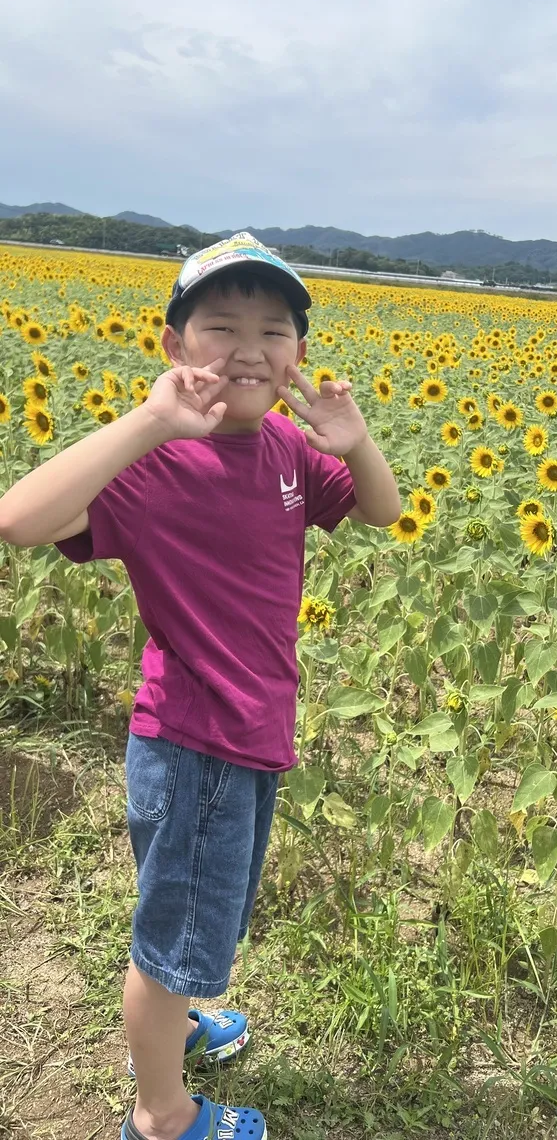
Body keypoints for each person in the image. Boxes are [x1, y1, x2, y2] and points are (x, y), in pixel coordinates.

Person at [0, 233, 401, 1140]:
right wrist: (148, 423)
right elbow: (19, 521)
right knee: (174, 940)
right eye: (221, 325)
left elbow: (380, 510)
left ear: (299, 351)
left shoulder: (288, 453)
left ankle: (174, 1030)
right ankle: (162, 1113)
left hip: (250, 729)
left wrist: (358, 438)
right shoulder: (156, 463)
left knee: (187, 912)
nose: (250, 348)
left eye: (275, 328)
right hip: (195, 739)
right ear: (176, 346)